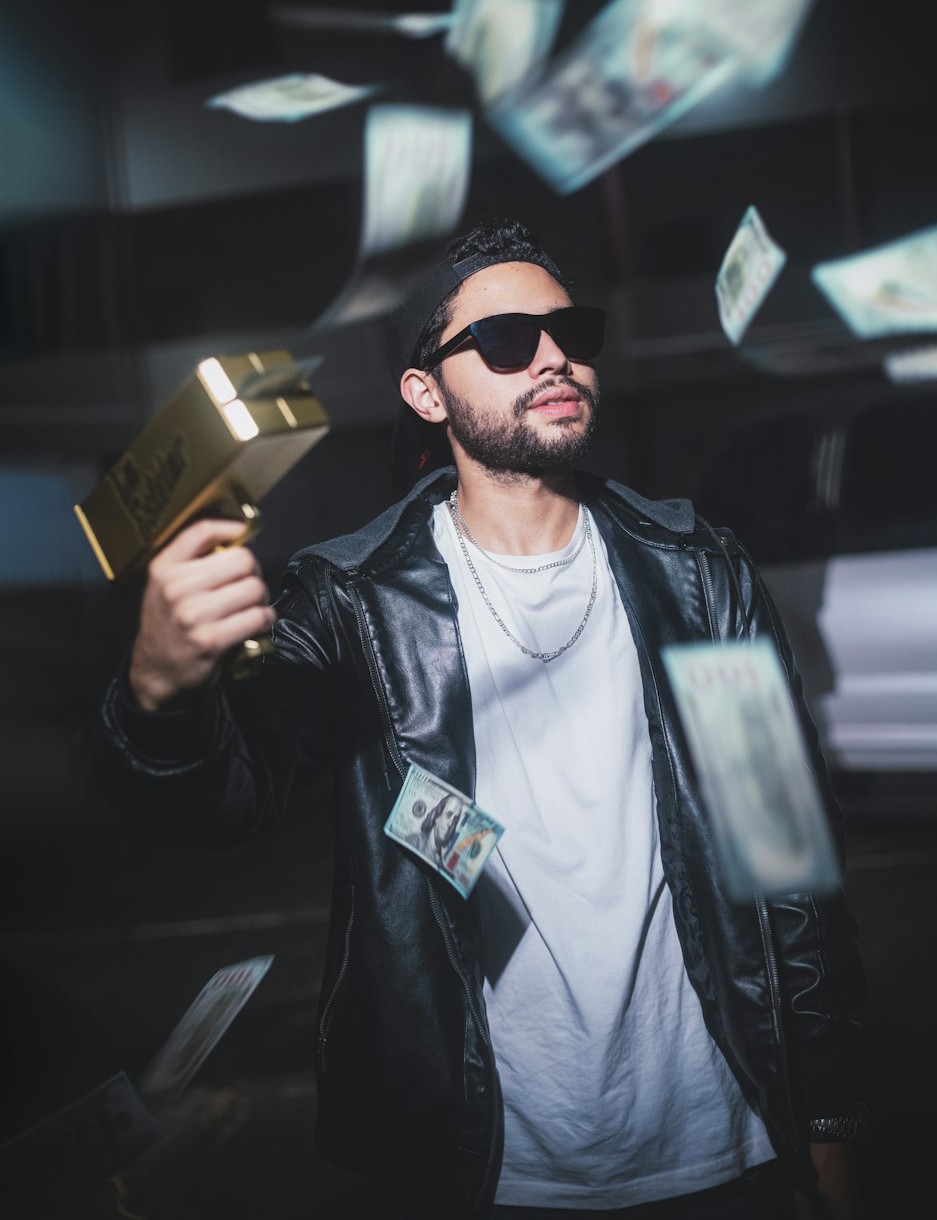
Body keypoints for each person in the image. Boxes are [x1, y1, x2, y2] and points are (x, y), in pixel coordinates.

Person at [88, 217, 866, 1220]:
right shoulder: (352, 600)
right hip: (484, 1162)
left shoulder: (696, 571)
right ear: (425, 390)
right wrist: (158, 693)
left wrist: (832, 1114)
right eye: (502, 340)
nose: (552, 355)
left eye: (569, 330)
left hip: (723, 1142)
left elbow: (785, 858)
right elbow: (223, 796)